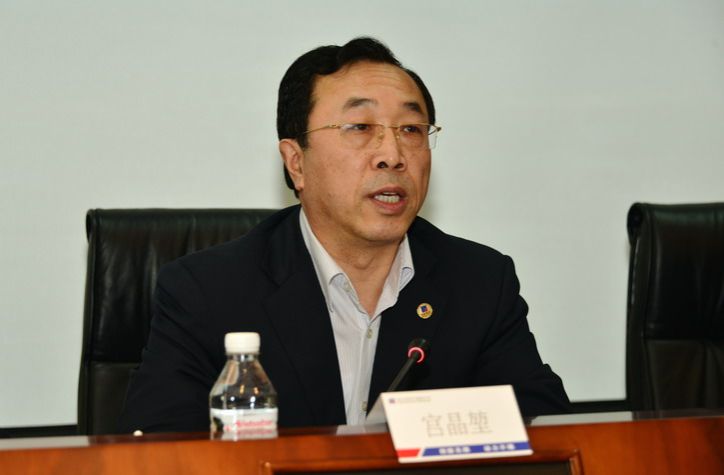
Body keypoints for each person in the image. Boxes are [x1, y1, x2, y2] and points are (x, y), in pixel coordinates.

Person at [119, 37, 569, 433]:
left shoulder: (479, 283)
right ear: (296, 162)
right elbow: (161, 452)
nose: (392, 154)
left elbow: (547, 436)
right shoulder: (206, 293)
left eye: (411, 130)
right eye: (360, 128)